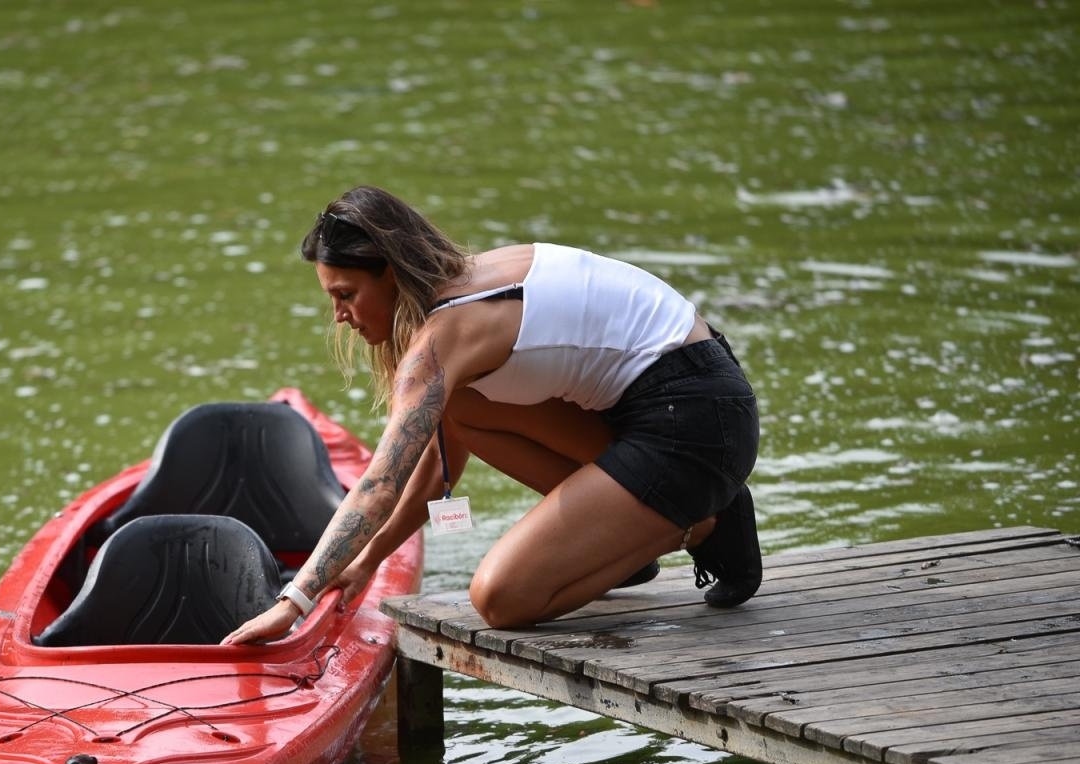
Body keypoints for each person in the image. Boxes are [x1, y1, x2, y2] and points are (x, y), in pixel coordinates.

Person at [222, 185, 760, 646]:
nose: (340, 316)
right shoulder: (474, 279)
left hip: (691, 426)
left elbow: (379, 486)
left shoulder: (444, 341)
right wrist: (367, 563)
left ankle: (703, 522)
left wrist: (294, 600)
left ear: (389, 273)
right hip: (699, 398)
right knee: (463, 409)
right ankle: (628, 546)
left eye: (346, 294)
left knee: (500, 598)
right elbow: (441, 459)